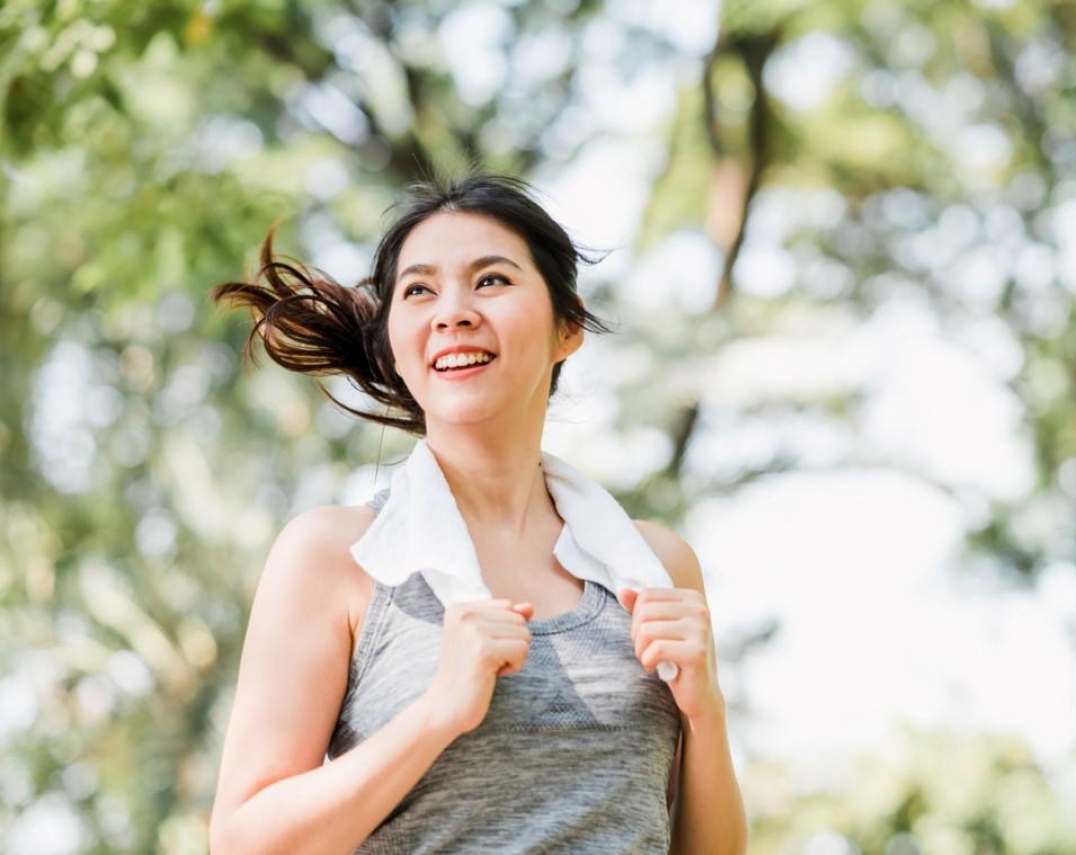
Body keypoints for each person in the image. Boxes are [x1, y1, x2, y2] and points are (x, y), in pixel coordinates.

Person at [206, 169, 748, 854]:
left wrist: (707, 711)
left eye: (491, 280)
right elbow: (243, 843)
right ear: (394, 343)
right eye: (419, 289)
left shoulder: (655, 569)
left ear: (568, 326)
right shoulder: (335, 557)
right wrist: (437, 713)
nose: (452, 311)